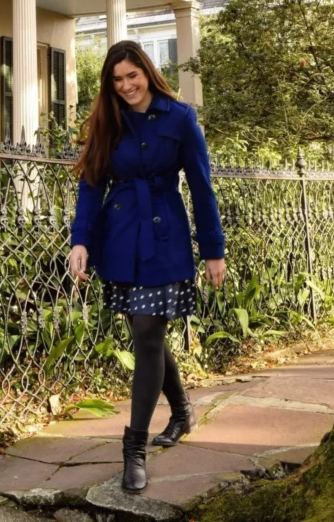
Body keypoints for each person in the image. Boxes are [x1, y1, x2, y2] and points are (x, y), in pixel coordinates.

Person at [69, 40, 226, 494]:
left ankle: (134, 449)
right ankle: (181, 411)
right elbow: (91, 186)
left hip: (165, 238)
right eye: (116, 80)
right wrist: (80, 241)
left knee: (147, 334)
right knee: (146, 333)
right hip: (121, 238)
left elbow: (201, 187)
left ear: (147, 72)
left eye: (131, 76)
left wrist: (212, 249)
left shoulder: (180, 118)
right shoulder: (107, 120)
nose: (125, 86)